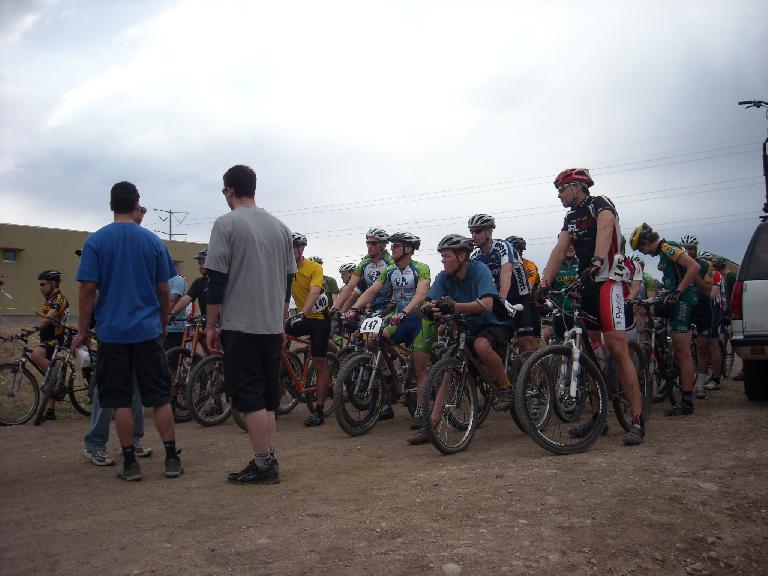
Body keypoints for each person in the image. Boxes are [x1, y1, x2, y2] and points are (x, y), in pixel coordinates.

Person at [71, 181, 182, 482]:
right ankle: (171, 458)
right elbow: (164, 289)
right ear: (136, 205)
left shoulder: (96, 241)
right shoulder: (153, 241)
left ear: (111, 205)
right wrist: (161, 321)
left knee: (119, 400)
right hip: (147, 331)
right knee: (159, 397)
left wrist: (82, 330)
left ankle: (130, 463)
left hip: (112, 333)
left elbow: (87, 289)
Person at [538, 168, 644, 445]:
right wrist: (544, 283)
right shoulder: (570, 218)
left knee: (618, 348)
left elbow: (607, 227)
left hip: (609, 280)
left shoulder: (600, 203)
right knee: (584, 350)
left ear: (576, 186)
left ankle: (636, 419)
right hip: (585, 284)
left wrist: (597, 259)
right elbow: (560, 249)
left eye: (562, 189)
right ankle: (598, 416)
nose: (559, 195)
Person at [204, 164, 296, 485]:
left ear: (230, 190)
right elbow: (288, 282)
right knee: (269, 396)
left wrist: (210, 324)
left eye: (224, 191)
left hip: (241, 324)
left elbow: (215, 280)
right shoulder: (281, 228)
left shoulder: (226, 224)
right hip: (271, 326)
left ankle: (264, 465)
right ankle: (267, 458)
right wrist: (281, 319)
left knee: (250, 397)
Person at [420, 234, 515, 442]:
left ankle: (505, 387)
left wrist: (454, 306)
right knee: (448, 372)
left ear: (462, 256)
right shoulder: (444, 276)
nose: (443, 261)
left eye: (446, 256)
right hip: (467, 326)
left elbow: (487, 305)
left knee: (481, 345)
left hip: (492, 324)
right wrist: (428, 309)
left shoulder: (479, 269)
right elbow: (431, 301)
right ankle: (431, 425)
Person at [79, 205, 154, 466]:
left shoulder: (143, 243)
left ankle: (133, 441)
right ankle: (96, 443)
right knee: (108, 390)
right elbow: (90, 289)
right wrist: (85, 327)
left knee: (134, 389)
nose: (141, 217)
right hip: (112, 331)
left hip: (138, 331)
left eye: (144, 213)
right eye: (139, 211)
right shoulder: (105, 241)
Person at [346, 232, 434, 439]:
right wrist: (354, 309)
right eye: (392, 246)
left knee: (421, 368)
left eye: (396, 246)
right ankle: (397, 369)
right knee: (374, 338)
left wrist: (405, 311)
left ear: (408, 249)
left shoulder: (421, 268)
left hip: (419, 318)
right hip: (399, 317)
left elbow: (421, 294)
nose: (392, 249)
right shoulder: (391, 270)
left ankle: (421, 410)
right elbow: (372, 291)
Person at [630, 223, 701, 416]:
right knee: (670, 342)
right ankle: (668, 368)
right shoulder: (663, 252)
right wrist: (645, 300)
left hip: (683, 302)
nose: (643, 253)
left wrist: (679, 291)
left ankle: (687, 401)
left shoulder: (668, 248)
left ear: (645, 242)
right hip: (674, 300)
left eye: (641, 249)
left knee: (682, 351)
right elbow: (668, 289)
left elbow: (694, 267)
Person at [285, 236, 332, 427]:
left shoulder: (314, 267)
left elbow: (314, 292)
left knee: (319, 361)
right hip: (301, 317)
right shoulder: (286, 268)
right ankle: (285, 373)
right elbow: (284, 296)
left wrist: (303, 313)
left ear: (301, 249)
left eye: (291, 249)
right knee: (277, 338)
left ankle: (319, 410)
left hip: (318, 319)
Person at [26, 270, 69, 421]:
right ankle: (50, 411)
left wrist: (34, 329)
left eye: (43, 284)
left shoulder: (59, 299)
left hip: (55, 339)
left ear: (52, 284)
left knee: (37, 355)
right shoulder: (49, 300)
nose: (40, 287)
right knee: (48, 372)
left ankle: (58, 383)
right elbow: (42, 319)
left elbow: (48, 318)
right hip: (46, 339)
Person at [336, 228, 395, 314]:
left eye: (373, 243)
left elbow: (397, 288)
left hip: (389, 307)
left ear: (383, 245)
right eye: (368, 243)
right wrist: (337, 309)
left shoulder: (391, 262)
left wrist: (392, 303)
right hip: (371, 307)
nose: (369, 246)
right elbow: (350, 288)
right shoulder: (363, 264)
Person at [506, 235, 542, 352]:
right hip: (511, 304)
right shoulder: (505, 266)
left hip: (531, 305)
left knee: (532, 344)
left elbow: (529, 286)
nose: (516, 253)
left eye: (518, 250)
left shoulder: (529, 265)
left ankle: (534, 368)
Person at [544, 242, 579, 343]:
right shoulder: (554, 265)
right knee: (560, 342)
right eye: (568, 244)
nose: (571, 247)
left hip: (578, 311)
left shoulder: (581, 263)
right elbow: (545, 284)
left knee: (580, 343)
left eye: (573, 245)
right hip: (560, 310)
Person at [169, 248, 209, 319]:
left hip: (222, 325)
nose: (201, 266)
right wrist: (172, 314)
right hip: (206, 325)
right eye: (200, 263)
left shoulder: (221, 282)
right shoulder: (199, 282)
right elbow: (187, 298)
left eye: (204, 263)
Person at [165, 264, 187, 350]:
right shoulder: (159, 280)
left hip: (174, 328)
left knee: (171, 359)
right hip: (159, 327)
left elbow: (172, 301)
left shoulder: (178, 280)